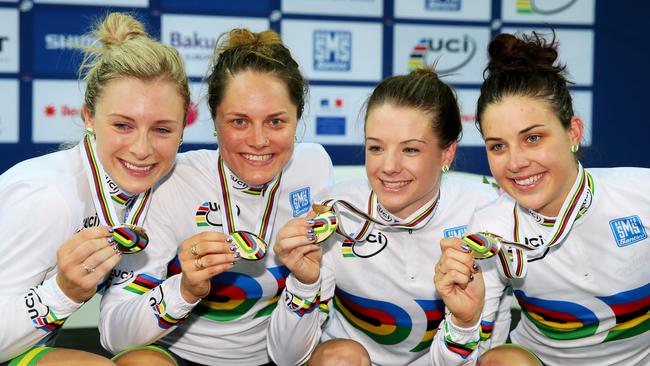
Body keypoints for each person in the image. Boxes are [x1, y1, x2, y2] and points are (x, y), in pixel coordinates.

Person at [98, 28, 335, 366]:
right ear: (215, 121)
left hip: (276, 356)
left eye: (276, 122)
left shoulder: (314, 168)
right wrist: (183, 290)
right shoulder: (173, 180)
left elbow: (291, 357)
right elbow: (113, 333)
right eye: (239, 121)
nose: (258, 140)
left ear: (297, 119)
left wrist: (304, 282)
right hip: (178, 356)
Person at [436, 31, 650, 365]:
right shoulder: (492, 227)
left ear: (573, 132)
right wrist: (464, 321)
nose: (516, 162)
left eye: (533, 138)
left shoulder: (641, 193)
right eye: (498, 146)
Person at [267, 67, 500, 365]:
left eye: (411, 149)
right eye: (376, 147)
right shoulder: (335, 210)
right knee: (340, 358)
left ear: (447, 154)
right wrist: (303, 282)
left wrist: (465, 324)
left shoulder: (484, 215)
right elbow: (286, 358)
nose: (389, 166)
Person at [0, 12, 189, 365]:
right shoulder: (50, 197)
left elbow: (118, 332)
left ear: (183, 129)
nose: (142, 149)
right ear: (89, 117)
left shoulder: (148, 190)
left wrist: (185, 290)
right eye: (122, 125)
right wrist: (62, 294)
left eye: (162, 130)